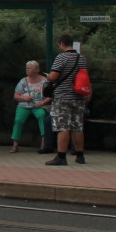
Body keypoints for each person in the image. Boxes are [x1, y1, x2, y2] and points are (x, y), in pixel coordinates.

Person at [45, 34, 88, 166]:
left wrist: (47, 75)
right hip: (78, 97)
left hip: (63, 97)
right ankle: (80, 156)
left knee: (62, 127)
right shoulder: (82, 58)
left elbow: (53, 77)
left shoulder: (61, 57)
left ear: (62, 44)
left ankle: (61, 156)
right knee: (77, 126)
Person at [10, 60, 52, 152]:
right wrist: (25, 98)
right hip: (24, 105)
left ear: (36, 70)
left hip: (39, 105)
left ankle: (44, 142)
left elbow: (50, 96)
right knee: (18, 120)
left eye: (29, 68)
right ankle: (15, 144)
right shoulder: (23, 81)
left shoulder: (45, 81)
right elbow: (16, 95)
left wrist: (41, 103)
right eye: (26, 68)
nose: (27, 70)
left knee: (42, 116)